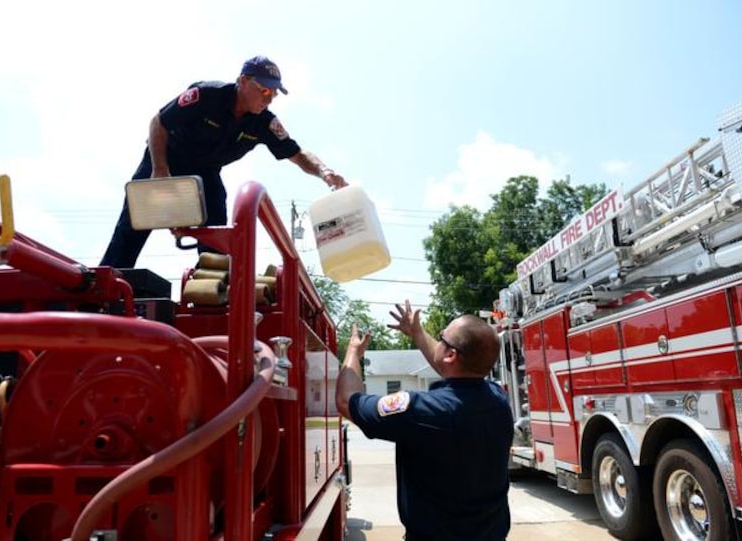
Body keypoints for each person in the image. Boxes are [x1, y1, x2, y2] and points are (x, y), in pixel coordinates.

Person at [100, 55, 347, 268]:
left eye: (274, 93)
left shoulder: (265, 123)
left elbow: (297, 153)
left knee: (217, 220)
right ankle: (103, 289)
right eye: (264, 90)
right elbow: (158, 123)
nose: (269, 98)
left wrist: (325, 172)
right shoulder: (206, 95)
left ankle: (210, 289)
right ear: (242, 81)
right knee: (134, 225)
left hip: (205, 172)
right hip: (166, 159)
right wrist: (160, 170)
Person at [336, 300, 513, 541]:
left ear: (451, 354)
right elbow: (459, 373)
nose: (438, 341)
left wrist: (353, 352)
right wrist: (418, 334)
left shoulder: (420, 411)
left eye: (442, 338)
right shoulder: (498, 399)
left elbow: (347, 401)